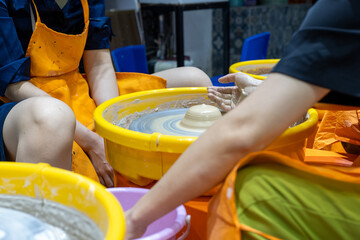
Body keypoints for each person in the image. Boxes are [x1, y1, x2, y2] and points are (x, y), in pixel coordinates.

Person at [125, 0, 360, 239]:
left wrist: (135, 218)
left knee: (249, 192)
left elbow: (240, 133)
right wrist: (261, 89)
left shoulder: (344, 10)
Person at [0, 0, 212, 187]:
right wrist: (92, 142)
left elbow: (100, 68)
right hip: (25, 105)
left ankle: (182, 195)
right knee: (53, 118)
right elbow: (14, 87)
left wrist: (112, 129)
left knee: (195, 83)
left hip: (77, 91)